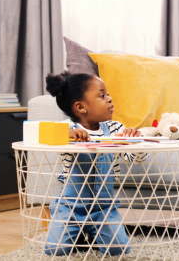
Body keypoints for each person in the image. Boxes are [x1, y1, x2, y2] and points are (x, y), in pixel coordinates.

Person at [44, 71, 148, 256]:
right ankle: (80, 233)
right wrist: (67, 137)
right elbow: (43, 134)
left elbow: (136, 159)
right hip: (70, 207)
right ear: (80, 107)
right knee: (56, 250)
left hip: (103, 208)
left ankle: (93, 233)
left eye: (107, 94)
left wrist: (135, 142)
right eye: (102, 96)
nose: (109, 99)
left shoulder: (116, 129)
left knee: (119, 249)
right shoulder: (68, 129)